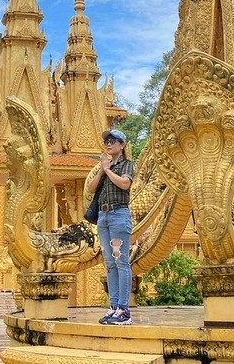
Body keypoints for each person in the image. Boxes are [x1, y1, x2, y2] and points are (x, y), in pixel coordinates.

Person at [88, 128, 134, 326]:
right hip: (103, 216)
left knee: (121, 262)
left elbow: (125, 184)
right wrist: (102, 168)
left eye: (113, 140)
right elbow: (90, 189)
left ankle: (124, 310)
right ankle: (113, 307)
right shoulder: (104, 166)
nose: (109, 143)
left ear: (122, 145)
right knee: (110, 263)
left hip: (118, 215)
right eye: (107, 140)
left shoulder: (127, 165)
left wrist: (108, 170)